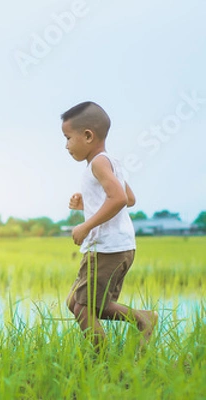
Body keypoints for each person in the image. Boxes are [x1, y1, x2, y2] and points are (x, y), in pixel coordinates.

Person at [61, 101, 157, 350]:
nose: (66, 145)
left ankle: (102, 362)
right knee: (77, 302)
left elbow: (120, 199)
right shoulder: (110, 162)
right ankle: (141, 317)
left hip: (107, 248)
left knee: (82, 307)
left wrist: (85, 226)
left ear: (88, 136)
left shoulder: (98, 163)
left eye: (68, 138)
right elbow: (129, 199)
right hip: (111, 247)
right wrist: (87, 205)